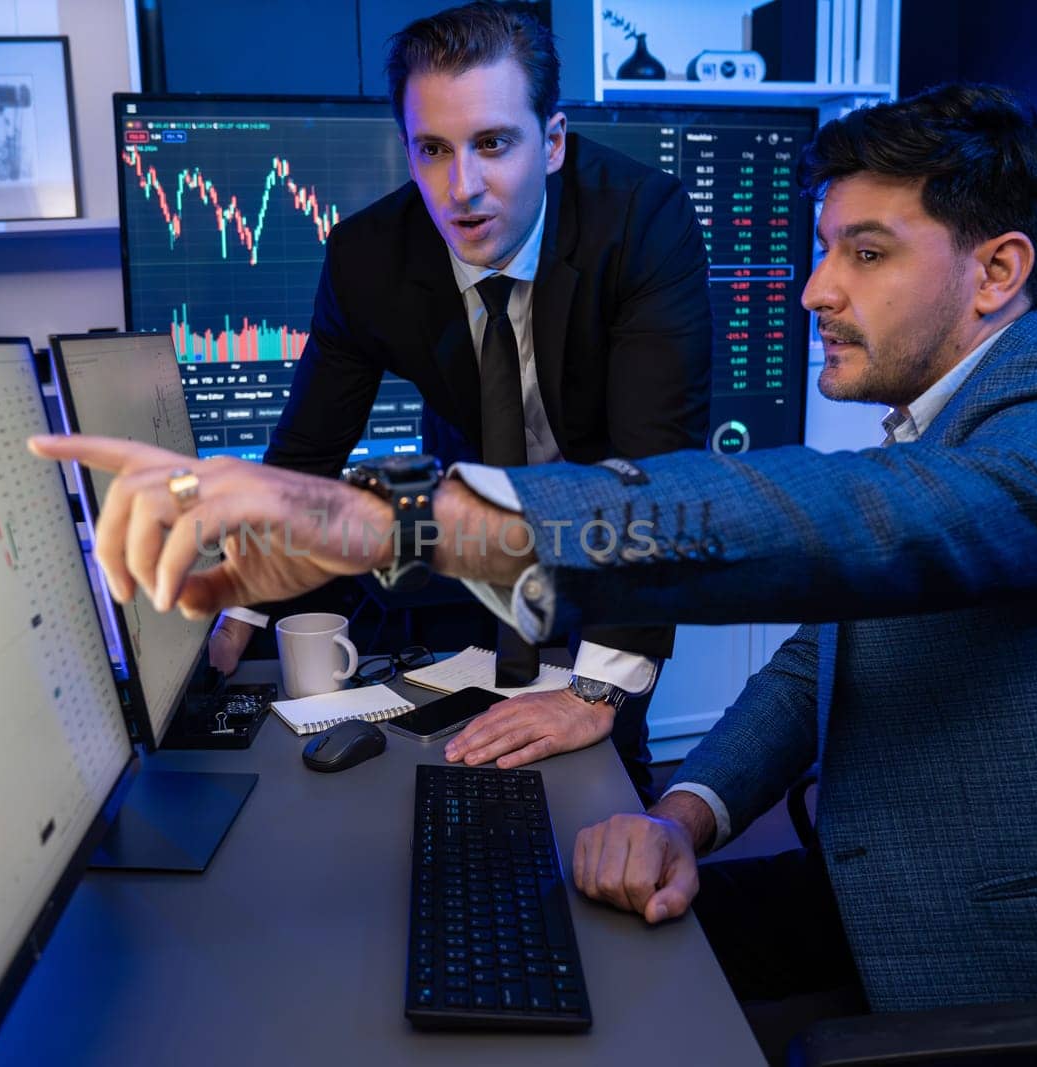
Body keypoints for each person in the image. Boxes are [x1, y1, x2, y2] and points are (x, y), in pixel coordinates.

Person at [34, 81, 1037, 1032]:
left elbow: (845, 517)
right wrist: (690, 814)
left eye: (865, 254)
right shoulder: (952, 437)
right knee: (556, 945)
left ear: (998, 271)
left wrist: (400, 519)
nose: (813, 289)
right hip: (866, 895)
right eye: (823, 249)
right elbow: (828, 661)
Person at [207, 1, 713, 799]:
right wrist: (240, 613)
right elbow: (306, 455)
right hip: (480, 526)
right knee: (463, 758)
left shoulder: (643, 223)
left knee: (604, 774)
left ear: (551, 142)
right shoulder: (368, 257)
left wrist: (599, 693)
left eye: (493, 144)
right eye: (433, 150)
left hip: (608, 532)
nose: (462, 188)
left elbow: (653, 467)